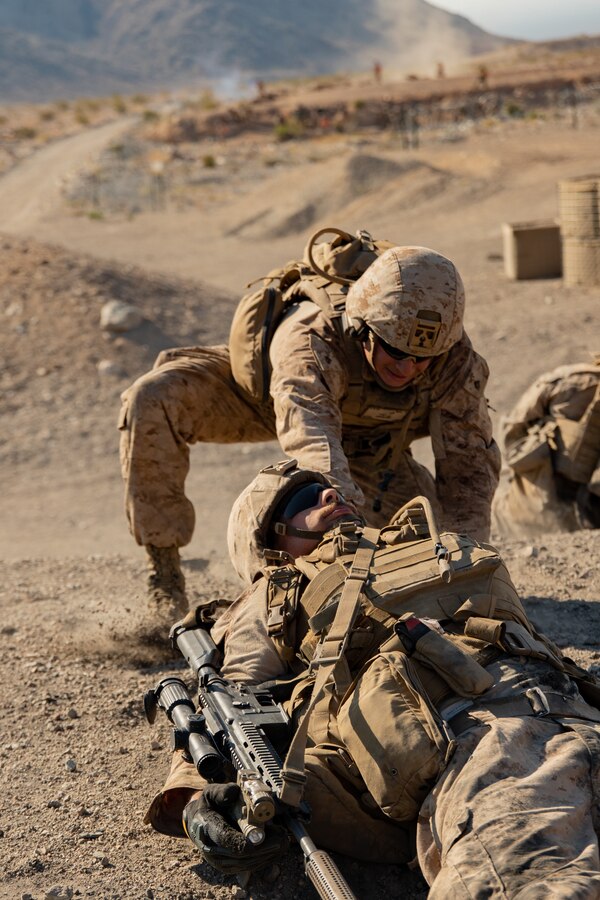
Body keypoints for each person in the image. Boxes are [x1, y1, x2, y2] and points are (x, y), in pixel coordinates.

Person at [145, 460, 600, 895]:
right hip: (479, 744)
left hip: (576, 714)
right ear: (270, 544)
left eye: (334, 491)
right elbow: (228, 702)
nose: (331, 493)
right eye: (303, 498)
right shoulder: (274, 591)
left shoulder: (430, 547)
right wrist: (193, 793)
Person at [119, 235, 500, 625]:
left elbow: (469, 465)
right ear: (364, 327)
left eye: (424, 359)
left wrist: (469, 567)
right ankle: (164, 575)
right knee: (153, 398)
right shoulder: (311, 339)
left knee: (427, 552)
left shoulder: (453, 356)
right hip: (273, 401)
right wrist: (344, 538)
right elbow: (312, 441)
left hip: (372, 439)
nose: (408, 368)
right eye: (396, 351)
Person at [493, 359, 600, 538]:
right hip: (543, 489)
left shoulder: (570, 379)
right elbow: (512, 433)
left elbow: (511, 430)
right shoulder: (572, 380)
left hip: (572, 497)